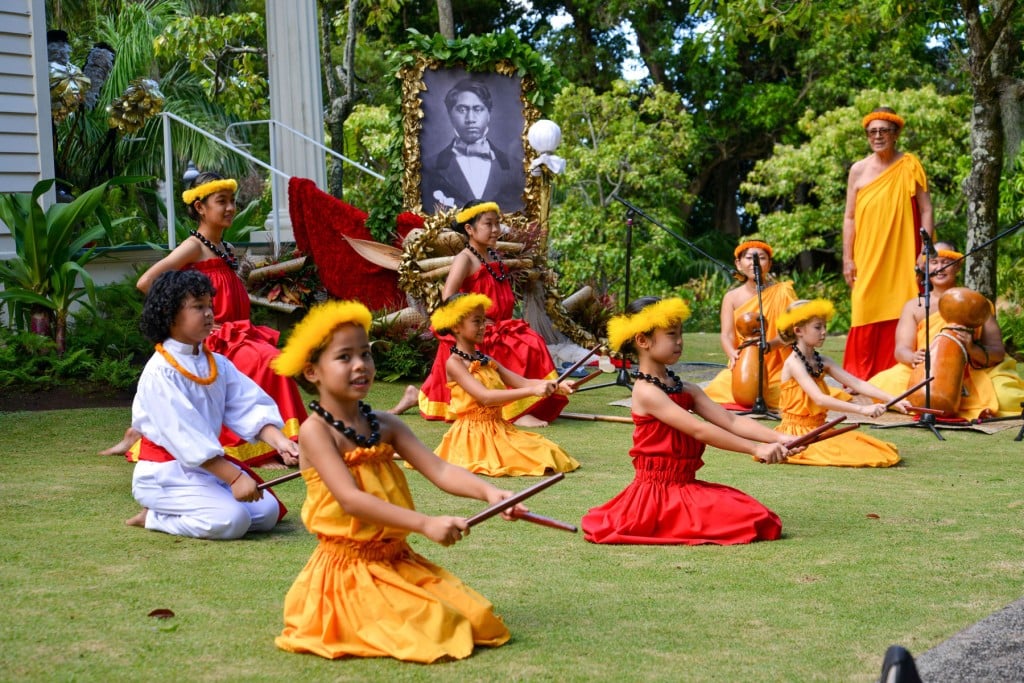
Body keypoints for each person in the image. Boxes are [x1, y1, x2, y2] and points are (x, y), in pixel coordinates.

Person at [270, 299, 523, 662]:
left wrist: (492, 492)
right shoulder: (316, 432)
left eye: (366, 355)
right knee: (437, 627)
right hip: (349, 568)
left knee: (479, 619)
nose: (361, 365)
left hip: (398, 558)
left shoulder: (386, 425)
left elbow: (439, 469)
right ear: (312, 372)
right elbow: (350, 500)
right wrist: (425, 524)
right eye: (344, 357)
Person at [100, 172, 306, 467]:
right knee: (269, 360)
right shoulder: (193, 246)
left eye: (232, 201)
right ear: (200, 208)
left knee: (275, 359)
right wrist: (185, 319)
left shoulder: (227, 248)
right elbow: (147, 282)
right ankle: (269, 448)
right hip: (213, 337)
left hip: (236, 333)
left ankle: (282, 444)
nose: (231, 208)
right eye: (221, 202)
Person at [581, 296, 796, 545]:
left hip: (684, 486)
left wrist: (781, 437)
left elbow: (730, 420)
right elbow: (699, 429)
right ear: (642, 340)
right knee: (755, 520)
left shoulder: (685, 388)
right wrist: (756, 448)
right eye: (672, 334)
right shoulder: (646, 392)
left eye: (681, 333)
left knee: (759, 517)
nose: (680, 341)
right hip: (657, 496)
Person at [124, 270, 296, 539]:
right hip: (164, 474)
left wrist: (281, 442)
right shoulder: (160, 372)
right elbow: (185, 437)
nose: (208, 314)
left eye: (209, 307)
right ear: (170, 316)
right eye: (198, 307)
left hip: (204, 469)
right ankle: (154, 516)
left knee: (266, 513)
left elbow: (247, 406)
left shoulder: (217, 363)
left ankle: (198, 504)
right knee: (233, 521)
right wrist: (236, 478)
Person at [418, 200, 567, 427]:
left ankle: (531, 399)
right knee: (521, 346)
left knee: (532, 341)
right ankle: (514, 411)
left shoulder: (493, 256)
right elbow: (448, 297)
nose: (496, 229)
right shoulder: (464, 259)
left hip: (500, 324)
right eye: (489, 224)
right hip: (479, 328)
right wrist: (472, 318)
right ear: (469, 229)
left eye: (498, 224)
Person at [868, 243, 1024, 420]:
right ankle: (953, 402)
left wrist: (972, 348)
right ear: (926, 267)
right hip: (925, 370)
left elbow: (997, 351)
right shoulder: (914, 306)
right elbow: (901, 349)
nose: (940, 268)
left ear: (957, 266)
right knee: (882, 384)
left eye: (946, 262)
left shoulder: (977, 303)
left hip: (973, 372)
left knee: (1008, 396)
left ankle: (961, 402)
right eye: (934, 262)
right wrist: (912, 357)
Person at [430, 293, 580, 476]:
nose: (483, 327)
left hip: (498, 428)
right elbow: (485, 397)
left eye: (484, 321)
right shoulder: (455, 364)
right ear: (456, 326)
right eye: (476, 322)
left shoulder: (485, 359)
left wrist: (558, 384)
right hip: (472, 437)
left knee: (549, 451)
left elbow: (521, 382)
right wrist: (533, 391)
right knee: (536, 458)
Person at [842, 107, 934, 380]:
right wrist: (848, 258)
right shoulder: (857, 170)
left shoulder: (909, 165)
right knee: (863, 305)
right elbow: (849, 218)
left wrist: (925, 250)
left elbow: (926, 209)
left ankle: (899, 373)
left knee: (903, 304)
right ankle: (859, 376)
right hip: (867, 254)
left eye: (884, 131)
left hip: (904, 252)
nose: (878, 136)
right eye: (872, 132)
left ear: (895, 134)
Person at [774, 299, 907, 467]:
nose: (824, 332)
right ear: (798, 331)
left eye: (824, 326)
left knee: (873, 449)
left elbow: (856, 383)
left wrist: (894, 399)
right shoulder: (794, 363)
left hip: (819, 429)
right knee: (866, 455)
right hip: (796, 434)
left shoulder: (822, 360)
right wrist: (862, 409)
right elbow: (820, 399)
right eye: (818, 327)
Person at [703, 240, 797, 408]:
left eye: (761, 258)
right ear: (738, 264)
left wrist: (769, 346)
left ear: (769, 264)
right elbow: (727, 334)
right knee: (718, 389)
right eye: (749, 258)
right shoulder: (731, 298)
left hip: (778, 364)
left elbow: (792, 332)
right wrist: (732, 354)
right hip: (744, 361)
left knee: (793, 392)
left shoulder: (783, 292)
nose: (755, 262)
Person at [420, 78, 525, 212]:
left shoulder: (515, 167)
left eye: (478, 109)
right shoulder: (429, 167)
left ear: (489, 114)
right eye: (462, 110)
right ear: (450, 114)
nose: (470, 119)